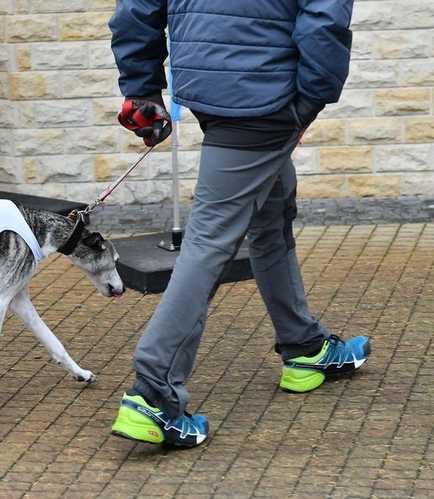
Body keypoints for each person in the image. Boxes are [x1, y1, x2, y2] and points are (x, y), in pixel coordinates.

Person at [107, 0, 371, 448]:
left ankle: (304, 348)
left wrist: (144, 89)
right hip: (265, 91)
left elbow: (136, 8)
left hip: (211, 87)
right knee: (210, 240)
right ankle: (153, 395)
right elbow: (325, 18)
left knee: (272, 210)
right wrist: (305, 102)